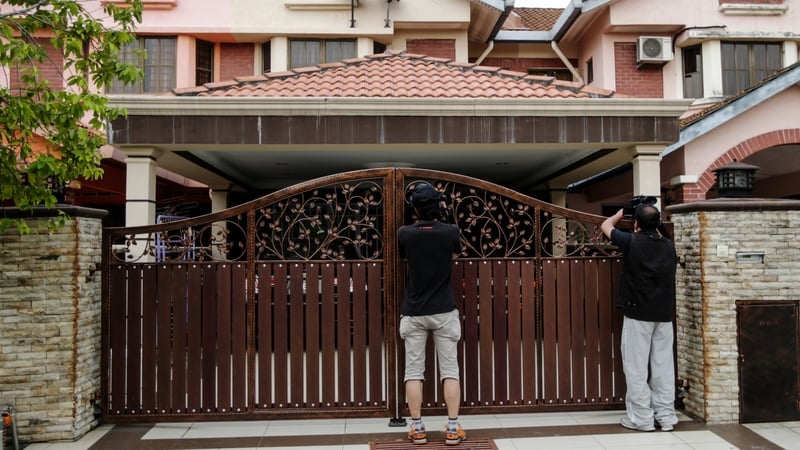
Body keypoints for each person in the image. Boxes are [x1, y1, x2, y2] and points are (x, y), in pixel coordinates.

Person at [397, 182, 466, 445]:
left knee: (414, 372)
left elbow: (405, 256)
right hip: (444, 310)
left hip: (414, 311)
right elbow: (456, 248)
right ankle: (452, 428)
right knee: (450, 371)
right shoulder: (450, 232)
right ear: (438, 205)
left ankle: (417, 428)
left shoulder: (405, 233)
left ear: (414, 207)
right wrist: (445, 214)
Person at [601, 203, 679, 432]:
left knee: (636, 368)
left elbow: (606, 226)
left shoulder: (632, 242)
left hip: (638, 314)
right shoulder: (669, 246)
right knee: (663, 367)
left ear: (636, 224)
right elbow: (659, 233)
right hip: (664, 315)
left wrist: (617, 216)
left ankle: (641, 419)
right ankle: (666, 417)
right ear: (658, 224)